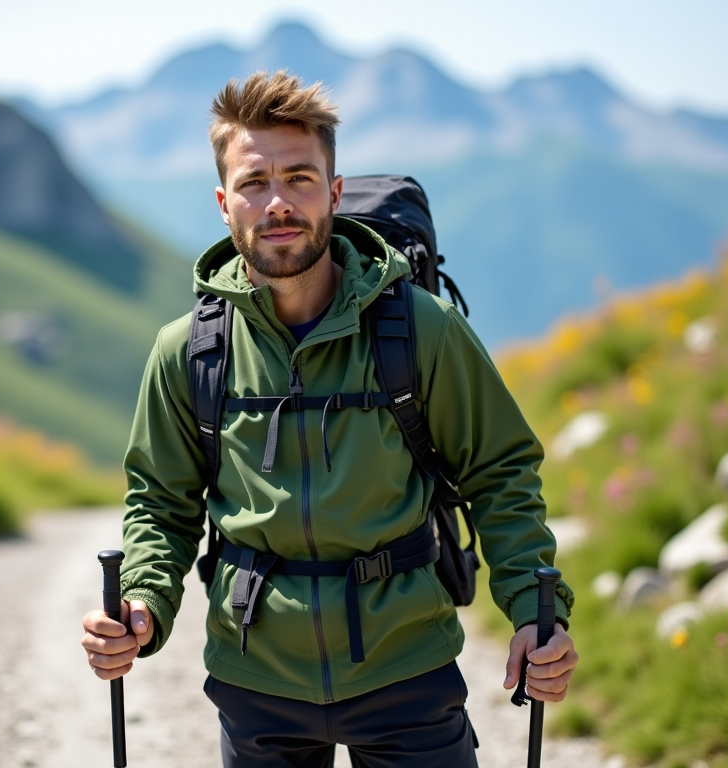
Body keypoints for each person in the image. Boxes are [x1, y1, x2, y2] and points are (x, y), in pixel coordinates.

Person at [81, 70, 578, 767]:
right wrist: (141, 602)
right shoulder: (189, 353)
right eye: (255, 182)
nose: (278, 202)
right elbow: (161, 504)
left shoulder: (422, 331)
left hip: (407, 672)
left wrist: (534, 605)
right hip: (256, 681)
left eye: (300, 178)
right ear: (225, 204)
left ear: (335, 195)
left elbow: (499, 471)